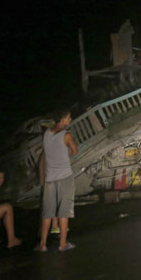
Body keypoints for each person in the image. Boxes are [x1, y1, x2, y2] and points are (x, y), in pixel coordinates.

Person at [34, 108, 78, 252]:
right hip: (65, 177)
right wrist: (68, 150)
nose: (70, 120)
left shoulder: (46, 134)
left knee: (48, 212)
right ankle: (63, 244)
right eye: (69, 117)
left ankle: (42, 244)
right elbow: (75, 151)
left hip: (50, 178)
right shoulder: (66, 135)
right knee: (64, 211)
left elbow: (50, 152)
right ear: (63, 119)